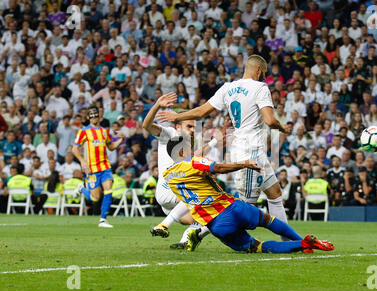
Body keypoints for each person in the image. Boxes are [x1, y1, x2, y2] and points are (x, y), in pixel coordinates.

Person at [157, 55, 291, 240]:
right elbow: (269, 119)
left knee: (274, 193)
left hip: (248, 149)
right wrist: (283, 127)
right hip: (250, 151)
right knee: (245, 208)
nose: (264, 77)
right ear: (259, 70)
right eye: (264, 73)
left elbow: (202, 110)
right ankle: (198, 231)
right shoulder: (261, 88)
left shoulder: (228, 88)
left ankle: (289, 239)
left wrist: (177, 117)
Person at [163, 137, 334, 253]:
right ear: (181, 151)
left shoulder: (167, 175)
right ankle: (303, 240)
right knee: (268, 221)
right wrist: (243, 164)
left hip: (216, 224)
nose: (192, 150)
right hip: (232, 207)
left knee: (257, 247)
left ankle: (303, 244)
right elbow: (219, 168)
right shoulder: (193, 162)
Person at [142, 92, 202, 248]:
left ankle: (184, 242)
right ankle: (164, 225)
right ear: (177, 126)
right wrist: (156, 106)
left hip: (174, 197)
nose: (193, 130)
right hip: (168, 190)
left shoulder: (190, 142)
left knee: (202, 217)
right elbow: (146, 126)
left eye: (194, 127)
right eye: (189, 126)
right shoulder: (169, 134)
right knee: (202, 200)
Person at [72, 106, 125, 228]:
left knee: (109, 189)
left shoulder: (104, 131)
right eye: (92, 116)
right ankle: (81, 189)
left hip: (105, 166)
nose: (94, 117)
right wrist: (82, 161)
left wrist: (121, 139)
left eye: (96, 115)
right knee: (95, 198)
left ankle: (103, 220)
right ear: (88, 118)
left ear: (99, 116)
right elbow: (75, 149)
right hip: (92, 169)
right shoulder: (84, 131)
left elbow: (111, 146)